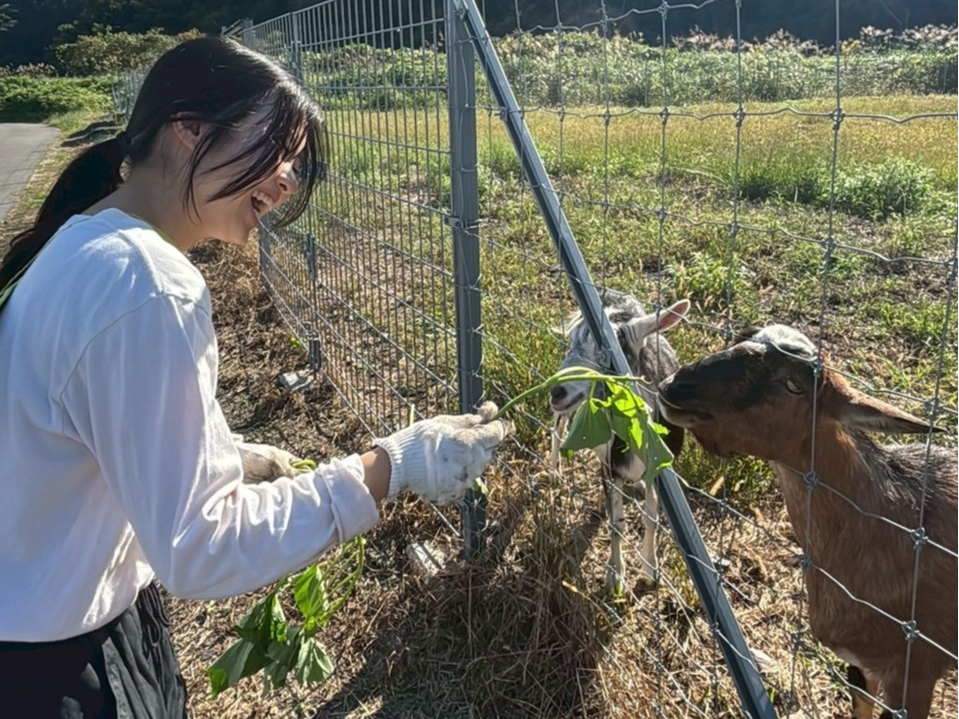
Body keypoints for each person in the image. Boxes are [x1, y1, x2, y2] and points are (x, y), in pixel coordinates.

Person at [0, 36, 511, 718]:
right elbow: (201, 547)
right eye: (276, 149)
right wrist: (391, 466)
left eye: (296, 161)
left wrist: (231, 457)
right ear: (189, 131)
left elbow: (76, 429)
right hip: (64, 665)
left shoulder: (81, 242)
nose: (288, 178)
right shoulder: (148, 285)